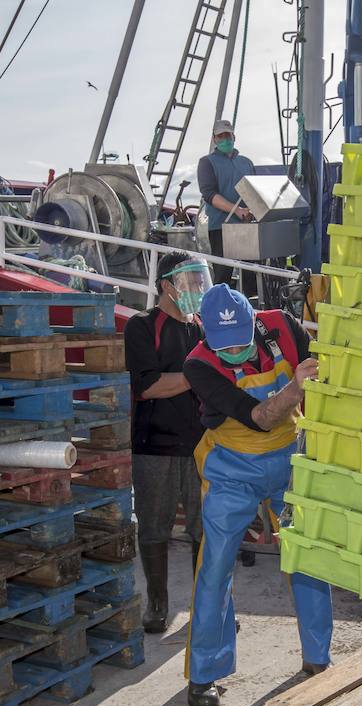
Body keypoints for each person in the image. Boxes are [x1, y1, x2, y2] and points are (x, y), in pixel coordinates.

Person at [180, 284, 332, 706]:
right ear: (204, 333)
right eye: (224, 347)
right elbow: (260, 418)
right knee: (215, 566)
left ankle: (318, 659)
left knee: (308, 556)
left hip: (289, 457)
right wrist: (296, 390)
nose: (236, 353)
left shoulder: (283, 326)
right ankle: (204, 673)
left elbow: (323, 371)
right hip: (232, 469)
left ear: (255, 322)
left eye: (242, 343)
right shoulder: (198, 366)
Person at [123, 252, 211, 634]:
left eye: (199, 280)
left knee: (204, 528)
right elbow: (149, 386)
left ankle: (208, 606)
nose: (197, 289)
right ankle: (157, 604)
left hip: (200, 447)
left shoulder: (203, 328)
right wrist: (200, 374)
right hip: (154, 446)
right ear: (166, 287)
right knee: (154, 528)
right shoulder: (142, 326)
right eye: (190, 282)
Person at [196, 119, 255, 289]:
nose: (225, 139)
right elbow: (208, 194)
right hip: (221, 228)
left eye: (228, 135)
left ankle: (249, 308)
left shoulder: (246, 162)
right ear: (214, 139)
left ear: (234, 136)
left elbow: (255, 192)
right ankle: (219, 311)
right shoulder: (207, 162)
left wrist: (251, 211)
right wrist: (236, 210)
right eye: (220, 136)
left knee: (251, 274)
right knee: (223, 274)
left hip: (247, 227)